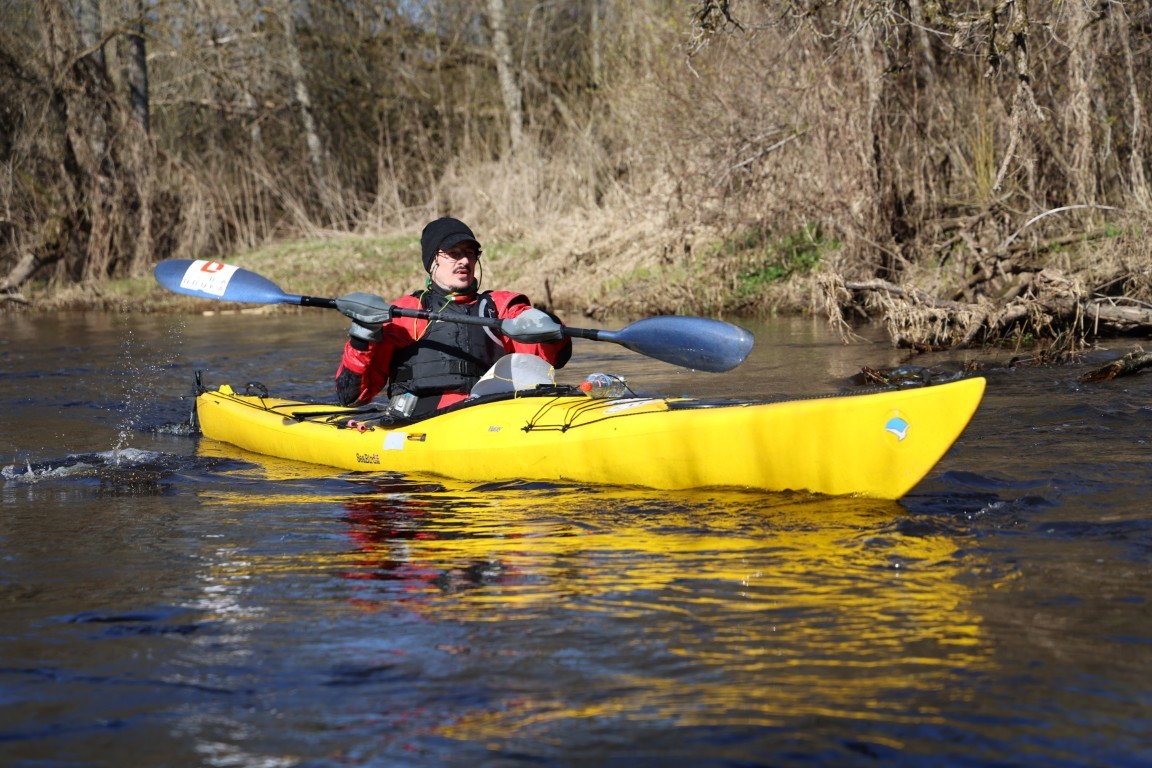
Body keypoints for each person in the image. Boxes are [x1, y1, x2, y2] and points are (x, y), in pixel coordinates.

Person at [334, 217, 572, 416]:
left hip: (491, 413)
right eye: (454, 253)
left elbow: (553, 357)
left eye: (470, 253)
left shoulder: (500, 307)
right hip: (423, 421)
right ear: (433, 261)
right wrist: (362, 336)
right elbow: (352, 396)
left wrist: (547, 325)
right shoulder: (405, 314)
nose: (465, 261)